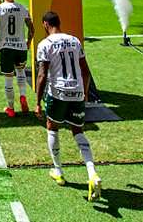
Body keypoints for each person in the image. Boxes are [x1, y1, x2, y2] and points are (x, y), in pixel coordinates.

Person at [35, 11, 101, 200]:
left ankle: (58, 171)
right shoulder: (75, 41)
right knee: (78, 131)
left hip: (58, 92)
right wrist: (85, 94)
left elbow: (42, 75)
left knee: (52, 127)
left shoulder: (45, 44)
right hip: (78, 92)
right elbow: (85, 71)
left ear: (45, 25)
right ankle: (92, 173)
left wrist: (38, 102)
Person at [0, 0, 35, 117]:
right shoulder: (22, 8)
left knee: (8, 78)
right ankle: (23, 96)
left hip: (6, 48)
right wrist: (28, 42)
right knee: (20, 71)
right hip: (20, 47)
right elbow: (32, 28)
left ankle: (10, 108)